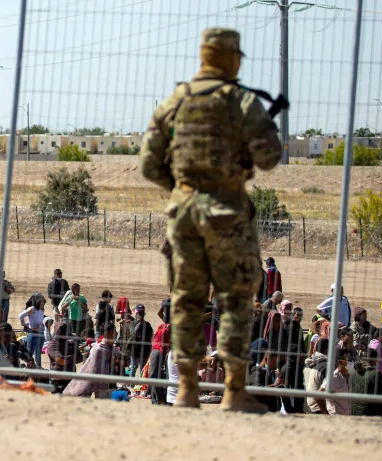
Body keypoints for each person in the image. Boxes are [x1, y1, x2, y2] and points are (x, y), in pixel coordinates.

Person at [139, 27, 282, 412]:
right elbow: (269, 156)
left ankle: (185, 389)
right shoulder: (240, 101)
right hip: (227, 212)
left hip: (183, 214)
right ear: (231, 59)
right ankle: (234, 392)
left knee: (186, 299)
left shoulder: (176, 100)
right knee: (235, 299)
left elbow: (149, 163)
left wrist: (182, 188)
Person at [63, 324, 118, 398]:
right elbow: (92, 367)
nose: (116, 334)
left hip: (111, 381)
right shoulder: (98, 349)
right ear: (106, 334)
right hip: (101, 383)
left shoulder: (113, 348)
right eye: (113, 332)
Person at [318, 350, 351, 415]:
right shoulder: (333, 377)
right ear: (340, 362)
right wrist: (326, 414)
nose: (350, 361)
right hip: (335, 416)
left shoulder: (348, 376)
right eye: (347, 359)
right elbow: (318, 396)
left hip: (347, 416)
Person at [130, 303, 154, 377]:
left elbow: (150, 337)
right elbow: (134, 334)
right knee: (133, 369)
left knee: (143, 370)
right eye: (139, 313)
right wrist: (139, 324)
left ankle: (141, 387)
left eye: (141, 313)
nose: (140, 315)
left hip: (144, 352)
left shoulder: (147, 325)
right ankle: (131, 386)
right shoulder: (133, 323)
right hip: (135, 351)